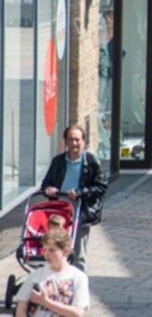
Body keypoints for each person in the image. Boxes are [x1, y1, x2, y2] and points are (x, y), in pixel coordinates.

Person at [39, 126, 107, 268]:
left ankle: (77, 284)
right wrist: (48, 189)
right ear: (65, 142)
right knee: (55, 246)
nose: (74, 143)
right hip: (59, 208)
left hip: (80, 208)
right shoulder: (58, 161)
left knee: (78, 252)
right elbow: (46, 183)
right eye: (71, 140)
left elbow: (101, 186)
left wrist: (80, 192)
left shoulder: (91, 161)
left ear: (83, 141)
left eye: (77, 140)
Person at [14, 222, 90, 317]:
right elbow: (21, 308)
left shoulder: (79, 277)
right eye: (45, 249)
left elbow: (78, 313)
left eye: (52, 250)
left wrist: (46, 302)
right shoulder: (35, 276)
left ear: (65, 251)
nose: (46, 254)